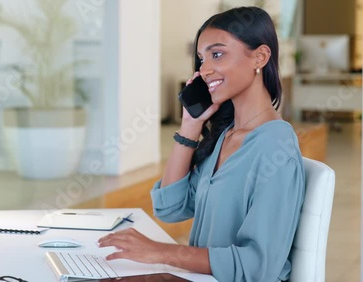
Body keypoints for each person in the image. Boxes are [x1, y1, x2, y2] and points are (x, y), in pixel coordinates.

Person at [98, 6, 305, 282]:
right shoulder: (225, 137)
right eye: (201, 58)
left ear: (260, 56)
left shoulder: (276, 147)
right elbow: (170, 208)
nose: (205, 70)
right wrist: (190, 126)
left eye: (217, 55)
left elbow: (257, 266)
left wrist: (162, 252)